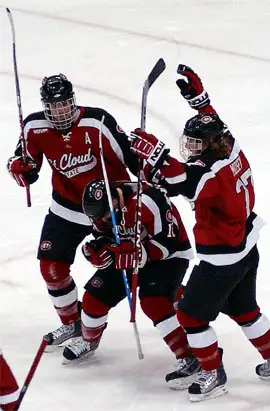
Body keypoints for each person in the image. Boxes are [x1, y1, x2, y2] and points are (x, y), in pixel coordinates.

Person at [129, 65, 270, 401]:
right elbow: (214, 129)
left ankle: (212, 373)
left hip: (223, 259)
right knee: (244, 307)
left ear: (208, 146)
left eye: (194, 143)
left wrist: (157, 155)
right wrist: (200, 102)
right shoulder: (230, 149)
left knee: (191, 315)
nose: (189, 147)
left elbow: (180, 181)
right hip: (246, 248)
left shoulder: (212, 178)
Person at [6, 74, 139, 351]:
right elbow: (25, 165)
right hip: (66, 207)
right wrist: (20, 170)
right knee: (51, 269)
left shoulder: (98, 122)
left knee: (125, 269)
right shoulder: (34, 126)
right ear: (45, 106)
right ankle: (72, 321)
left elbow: (132, 160)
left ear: (73, 101)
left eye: (65, 104)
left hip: (107, 209)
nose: (60, 112)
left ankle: (94, 328)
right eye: (54, 106)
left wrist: (144, 181)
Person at [61, 179, 200, 389]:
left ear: (115, 201)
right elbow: (104, 236)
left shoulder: (148, 200)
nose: (102, 220)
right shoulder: (100, 211)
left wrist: (139, 254)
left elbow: (169, 243)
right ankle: (90, 340)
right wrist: (99, 250)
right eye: (97, 218)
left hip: (168, 257)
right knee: (93, 298)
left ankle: (190, 357)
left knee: (153, 302)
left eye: (105, 215)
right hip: (126, 254)